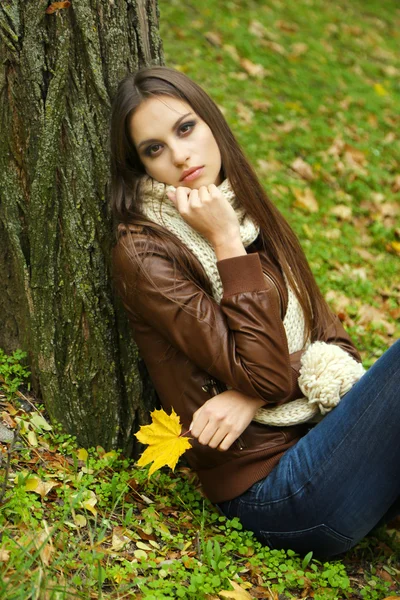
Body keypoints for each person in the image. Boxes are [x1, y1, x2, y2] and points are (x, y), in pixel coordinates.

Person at [110, 66, 400, 559]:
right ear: (140, 167)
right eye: (154, 149)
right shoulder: (145, 251)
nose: (180, 155)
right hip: (275, 494)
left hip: (331, 448)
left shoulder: (248, 210)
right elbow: (266, 374)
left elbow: (336, 349)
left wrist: (249, 398)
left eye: (185, 129)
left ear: (212, 125)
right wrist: (225, 241)